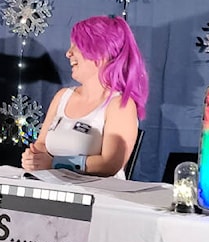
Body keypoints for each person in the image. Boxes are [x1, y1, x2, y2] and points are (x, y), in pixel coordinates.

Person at [22, 15, 148, 178]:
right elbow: (41, 145)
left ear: (101, 52)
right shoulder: (62, 97)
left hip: (99, 196)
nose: (68, 53)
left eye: (76, 46)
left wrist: (56, 163)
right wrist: (33, 158)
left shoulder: (119, 105)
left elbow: (110, 164)